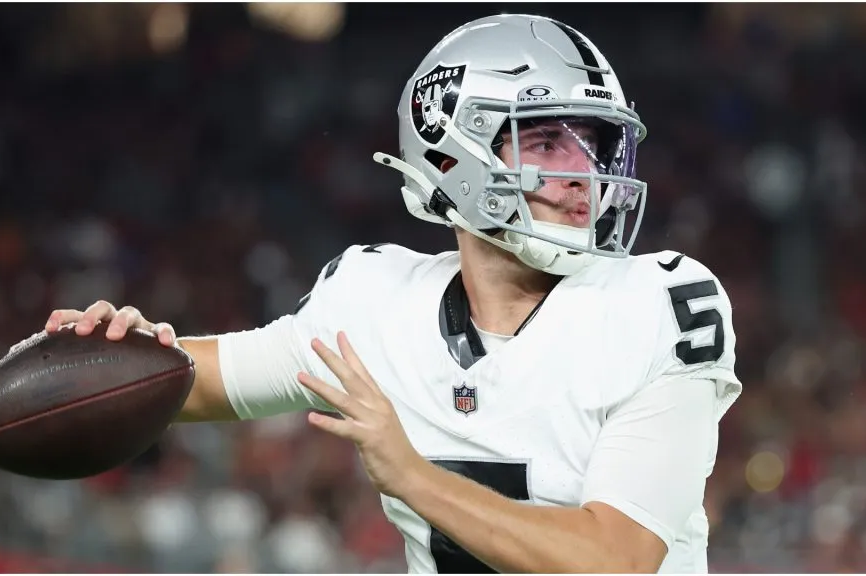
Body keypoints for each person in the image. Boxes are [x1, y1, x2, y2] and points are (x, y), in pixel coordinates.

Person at [43, 14, 742, 573]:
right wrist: (120, 352)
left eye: (594, 144)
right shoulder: (375, 301)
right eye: (548, 142)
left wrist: (409, 473)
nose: (582, 172)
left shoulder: (659, 303)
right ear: (452, 154)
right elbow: (197, 384)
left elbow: (615, 561)